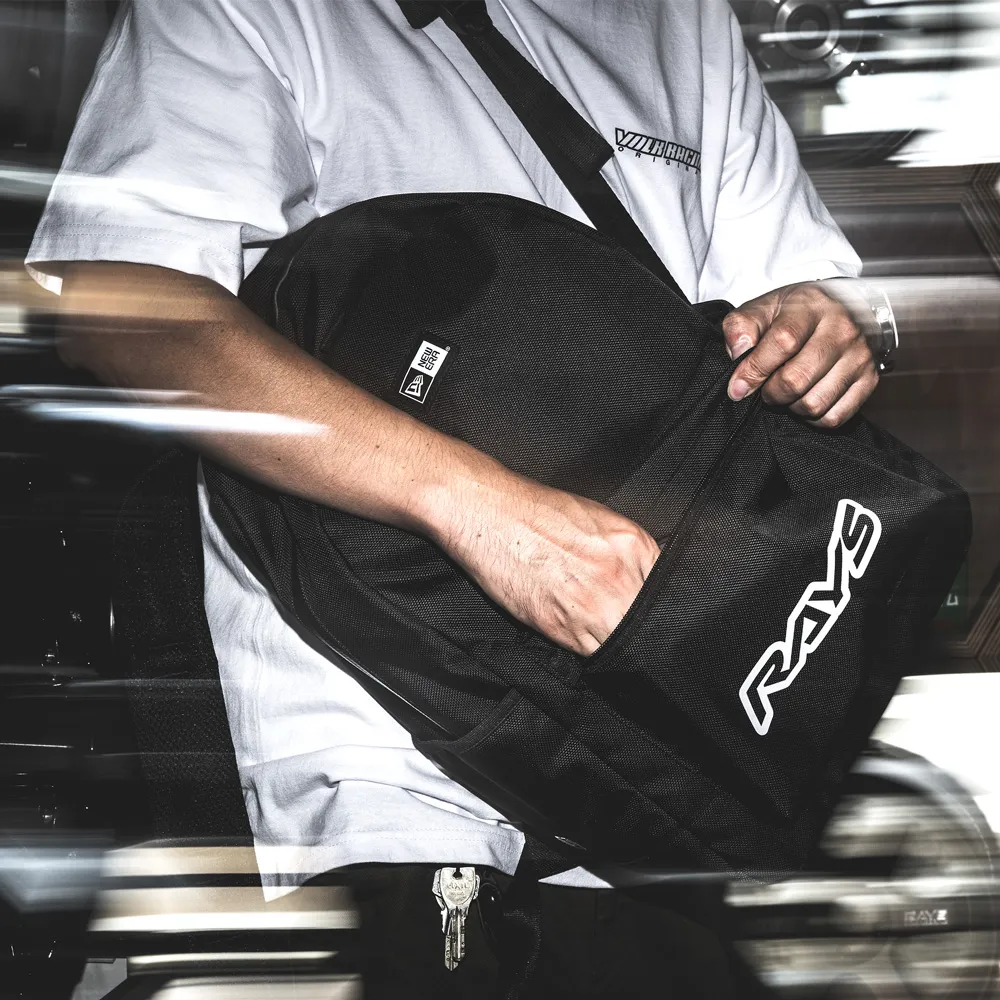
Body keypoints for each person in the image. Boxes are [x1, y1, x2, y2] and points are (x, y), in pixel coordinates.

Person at [27, 0, 889, 995]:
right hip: (390, 746)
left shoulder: (681, 17)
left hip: (659, 741)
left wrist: (823, 328)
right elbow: (125, 306)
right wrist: (488, 515)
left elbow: (805, 290)